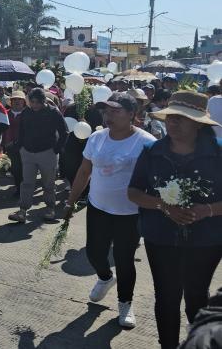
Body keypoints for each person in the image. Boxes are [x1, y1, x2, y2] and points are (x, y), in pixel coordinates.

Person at [128, 90, 222, 349]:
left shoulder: (219, 153)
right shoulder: (152, 151)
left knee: (196, 298)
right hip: (161, 237)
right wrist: (162, 205)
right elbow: (133, 192)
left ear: (198, 123)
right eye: (170, 117)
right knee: (167, 297)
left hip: (207, 240)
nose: (173, 123)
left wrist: (208, 210)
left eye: (181, 118)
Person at [65, 92, 156, 329]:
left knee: (124, 260)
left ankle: (125, 303)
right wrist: (70, 201)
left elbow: (155, 181)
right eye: (107, 111)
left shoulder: (146, 142)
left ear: (132, 115)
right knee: (94, 253)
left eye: (116, 111)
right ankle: (105, 278)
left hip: (129, 213)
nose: (109, 115)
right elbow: (84, 172)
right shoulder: (96, 138)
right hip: (98, 208)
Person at [9, 88, 68, 223]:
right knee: (27, 183)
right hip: (28, 153)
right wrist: (20, 146)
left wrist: (56, 149)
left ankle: (50, 208)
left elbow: (64, 132)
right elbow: (21, 131)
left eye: (37, 102)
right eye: (32, 102)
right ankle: (22, 211)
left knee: (48, 184)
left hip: (47, 152)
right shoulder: (26, 112)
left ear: (43, 101)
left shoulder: (53, 113)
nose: (35, 105)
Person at [2, 91, 27, 198]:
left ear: (24, 102)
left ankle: (24, 190)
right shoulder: (5, 113)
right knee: (15, 169)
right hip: (9, 146)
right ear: (11, 102)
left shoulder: (28, 114)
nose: (17, 101)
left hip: (24, 146)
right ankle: (18, 188)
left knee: (24, 169)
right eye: (14, 99)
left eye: (19, 99)